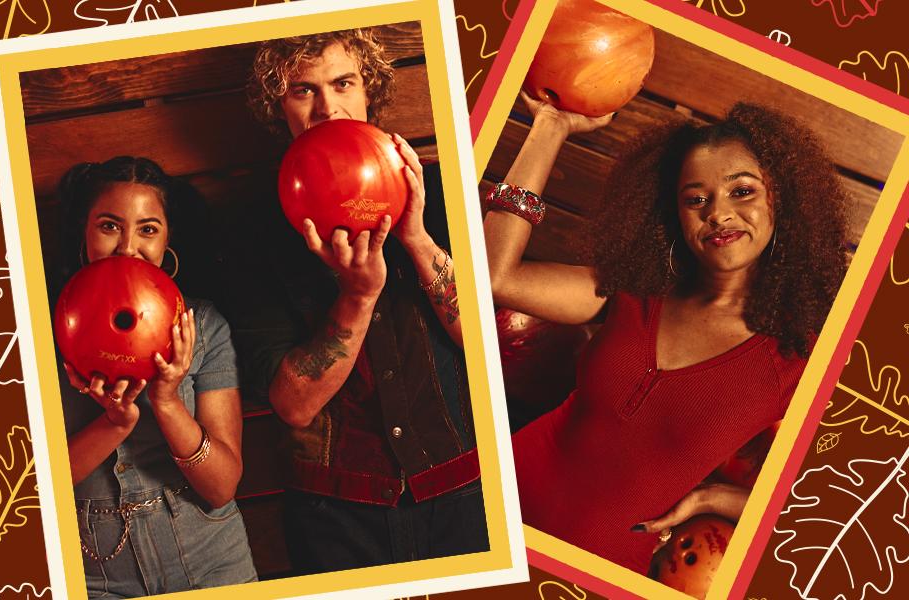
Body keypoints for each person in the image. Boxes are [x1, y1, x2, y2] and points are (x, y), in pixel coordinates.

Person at [484, 95, 848, 574]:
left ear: (781, 198)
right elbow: (495, 276)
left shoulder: (802, 357)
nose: (718, 214)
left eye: (742, 191)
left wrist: (711, 498)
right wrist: (550, 126)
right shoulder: (630, 289)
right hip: (486, 505)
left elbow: (828, 511)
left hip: (596, 570)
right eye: (696, 199)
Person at [233, 28, 487, 574]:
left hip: (464, 486)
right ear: (279, 108)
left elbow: (485, 343)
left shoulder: (436, 189)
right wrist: (359, 295)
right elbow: (294, 404)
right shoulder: (252, 227)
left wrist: (417, 238)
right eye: (303, 90)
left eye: (343, 83)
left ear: (368, 88)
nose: (328, 107)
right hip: (335, 512)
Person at [57, 157, 257, 598]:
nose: (128, 247)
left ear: (167, 241)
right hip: (94, 579)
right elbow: (31, 491)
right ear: (84, 232)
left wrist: (167, 401)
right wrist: (113, 424)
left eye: (147, 229)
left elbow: (222, 486)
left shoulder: (202, 325)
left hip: (210, 561)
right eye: (110, 226)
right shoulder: (39, 328)